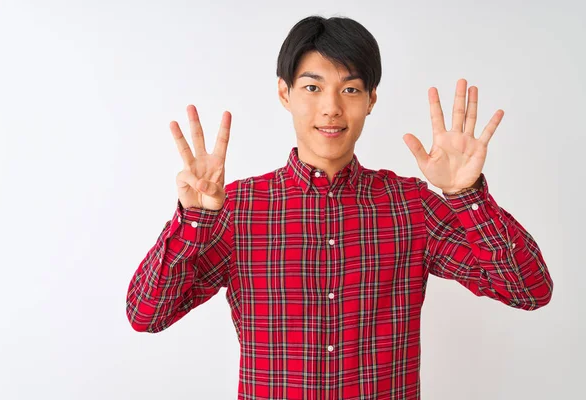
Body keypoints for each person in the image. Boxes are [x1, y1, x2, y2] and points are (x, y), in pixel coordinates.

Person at [125, 15, 553, 400]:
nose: (331, 107)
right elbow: (147, 314)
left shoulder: (410, 206)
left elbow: (529, 291)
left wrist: (467, 195)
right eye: (312, 87)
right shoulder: (238, 209)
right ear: (284, 92)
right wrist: (195, 221)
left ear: (371, 101)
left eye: (350, 89)